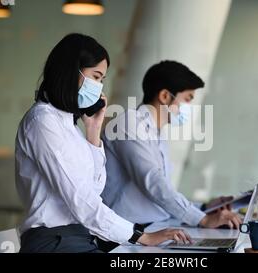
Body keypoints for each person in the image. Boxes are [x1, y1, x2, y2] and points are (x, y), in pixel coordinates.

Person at [15, 34, 191, 253]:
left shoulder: (70, 125)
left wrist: (93, 131)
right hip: (53, 242)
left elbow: (94, 188)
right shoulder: (43, 122)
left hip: (79, 237)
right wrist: (141, 236)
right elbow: (81, 200)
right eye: (95, 77)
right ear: (71, 72)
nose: (99, 87)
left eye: (102, 80)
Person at [100, 61, 242, 251]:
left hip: (154, 228)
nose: (191, 106)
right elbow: (153, 182)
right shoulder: (130, 123)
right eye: (188, 99)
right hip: (126, 237)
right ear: (165, 96)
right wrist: (203, 219)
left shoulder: (157, 132)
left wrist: (204, 207)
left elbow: (161, 195)